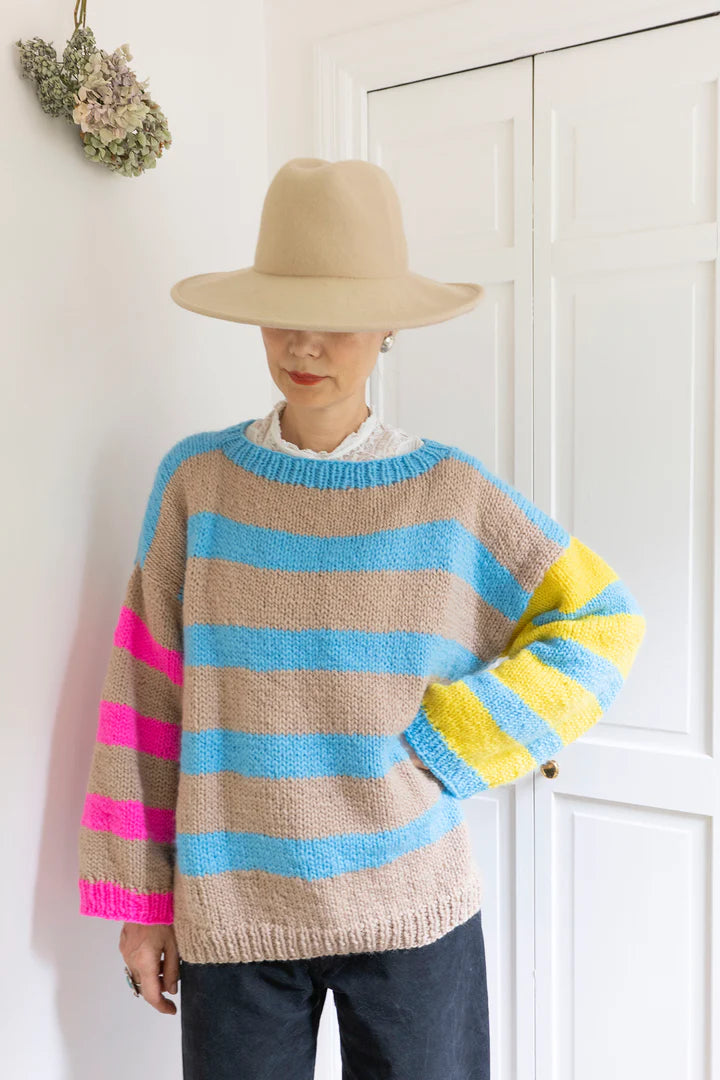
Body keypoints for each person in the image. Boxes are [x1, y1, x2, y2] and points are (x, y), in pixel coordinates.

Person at [77, 158, 646, 1079]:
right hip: (235, 909)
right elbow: (145, 695)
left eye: (338, 321)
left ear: (388, 328)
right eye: (283, 315)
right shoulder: (198, 486)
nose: (305, 346)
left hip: (412, 905)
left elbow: (602, 622)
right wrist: (142, 902)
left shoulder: (450, 495)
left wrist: (456, 739)